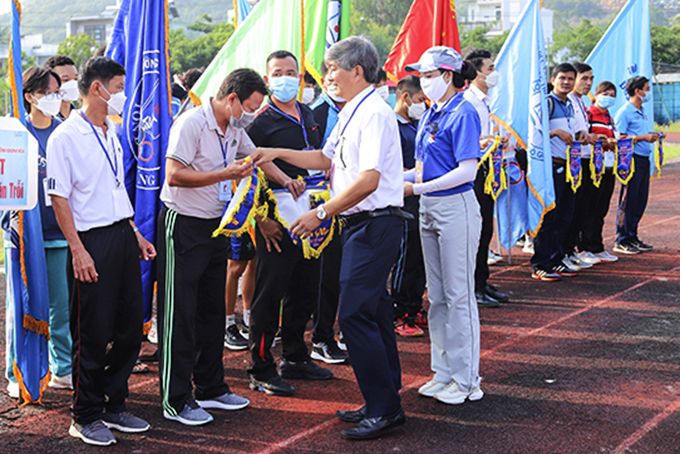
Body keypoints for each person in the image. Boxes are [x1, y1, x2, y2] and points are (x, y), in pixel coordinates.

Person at [253, 35, 407, 440]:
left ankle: (384, 407)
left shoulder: (373, 112)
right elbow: (324, 159)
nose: (326, 78)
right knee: (371, 312)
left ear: (357, 71)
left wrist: (320, 213)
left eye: (332, 69)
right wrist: (273, 153)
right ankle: (385, 400)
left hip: (375, 222)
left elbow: (369, 180)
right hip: (362, 225)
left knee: (355, 314)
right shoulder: (350, 111)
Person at [157, 68, 291, 426]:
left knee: (213, 310)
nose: (249, 116)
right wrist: (225, 175)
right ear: (231, 98)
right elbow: (173, 175)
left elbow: (258, 158)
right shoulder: (191, 124)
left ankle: (211, 386)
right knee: (180, 311)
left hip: (217, 226)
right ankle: (176, 398)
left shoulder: (234, 129)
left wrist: (286, 179)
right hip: (183, 224)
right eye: (248, 107)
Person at [47, 57, 155, 446]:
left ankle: (114, 402)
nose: (123, 96)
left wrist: (134, 233)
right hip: (90, 241)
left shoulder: (111, 131)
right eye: (120, 87)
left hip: (122, 237)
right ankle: (85, 413)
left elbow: (113, 187)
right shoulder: (66, 136)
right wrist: (77, 250)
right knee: (91, 330)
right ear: (97, 89)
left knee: (129, 326)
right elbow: (60, 198)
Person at [245, 50, 332, 397]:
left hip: (310, 221)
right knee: (269, 296)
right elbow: (245, 175)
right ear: (267, 80)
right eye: (278, 72)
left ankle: (295, 356)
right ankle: (261, 366)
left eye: (291, 72)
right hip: (276, 224)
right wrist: (261, 220)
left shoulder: (308, 113)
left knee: (304, 292)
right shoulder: (260, 123)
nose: (286, 78)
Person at [401, 46, 484, 406]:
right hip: (429, 207)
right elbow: (421, 168)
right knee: (436, 297)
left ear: (449, 75)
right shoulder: (431, 114)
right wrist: (389, 180)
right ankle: (444, 372)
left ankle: (467, 380)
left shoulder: (464, 111)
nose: (424, 82)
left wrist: (415, 188)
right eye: (421, 75)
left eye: (430, 75)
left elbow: (467, 170)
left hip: (456, 207)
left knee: (458, 295)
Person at [21, 66, 74, 391]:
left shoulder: (65, 132)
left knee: (62, 307)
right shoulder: (17, 134)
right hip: (27, 237)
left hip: (59, 234)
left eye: (58, 93)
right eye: (47, 93)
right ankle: (24, 373)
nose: (54, 99)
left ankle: (63, 368)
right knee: (26, 307)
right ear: (30, 97)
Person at [530, 63, 588, 281]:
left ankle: (556, 259)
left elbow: (571, 131)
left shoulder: (570, 105)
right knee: (549, 217)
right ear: (553, 79)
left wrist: (580, 133)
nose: (567, 82)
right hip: (550, 167)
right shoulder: (546, 103)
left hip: (569, 168)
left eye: (571, 79)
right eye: (562, 78)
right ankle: (540, 264)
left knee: (565, 216)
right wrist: (553, 132)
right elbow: (533, 132)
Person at [309, 62, 349, 364]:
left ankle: (332, 332)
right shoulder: (315, 114)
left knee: (337, 275)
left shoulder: (354, 112)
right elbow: (318, 159)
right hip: (319, 206)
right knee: (323, 276)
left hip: (345, 202)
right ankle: (321, 337)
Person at [464, 48, 509, 307]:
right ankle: (474, 286)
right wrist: (487, 140)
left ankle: (482, 280)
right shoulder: (469, 101)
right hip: (476, 170)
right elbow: (468, 138)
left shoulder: (486, 101)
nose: (494, 73)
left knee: (486, 229)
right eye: (490, 68)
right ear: (477, 73)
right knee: (477, 231)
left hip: (490, 167)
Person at [391, 75, 428, 337]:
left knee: (421, 256)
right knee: (407, 257)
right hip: (404, 200)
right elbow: (388, 165)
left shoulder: (417, 124)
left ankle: (414, 307)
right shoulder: (392, 126)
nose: (423, 104)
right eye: (420, 100)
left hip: (422, 195)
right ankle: (400, 312)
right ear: (406, 98)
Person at [613, 76, 659, 254]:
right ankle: (622, 239)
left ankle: (632, 236)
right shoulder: (625, 112)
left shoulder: (642, 110)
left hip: (643, 159)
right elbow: (618, 138)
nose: (649, 92)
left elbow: (640, 132)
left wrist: (652, 135)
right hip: (630, 160)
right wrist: (642, 138)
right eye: (647, 89)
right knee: (629, 199)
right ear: (637, 91)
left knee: (640, 199)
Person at [562, 62, 601, 270]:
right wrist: (584, 138)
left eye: (591, 79)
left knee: (580, 209)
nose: (588, 83)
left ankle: (571, 250)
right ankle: (565, 251)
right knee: (569, 211)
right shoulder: (567, 102)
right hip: (571, 162)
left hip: (584, 160)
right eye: (584, 78)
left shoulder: (580, 103)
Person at [583, 81, 620, 262]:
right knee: (590, 206)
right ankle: (584, 247)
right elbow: (584, 138)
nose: (609, 98)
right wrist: (600, 141)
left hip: (608, 165)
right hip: (593, 166)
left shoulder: (609, 117)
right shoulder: (590, 114)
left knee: (602, 208)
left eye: (613, 95)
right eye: (606, 93)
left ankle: (597, 246)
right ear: (596, 94)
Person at [223, 224, 256, 350]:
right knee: (235, 266)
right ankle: (227, 325)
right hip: (238, 215)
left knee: (253, 261)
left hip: (255, 214)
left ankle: (248, 320)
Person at [44, 55, 79, 120]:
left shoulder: (80, 117)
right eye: (65, 80)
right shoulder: (45, 119)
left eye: (76, 79)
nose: (73, 84)